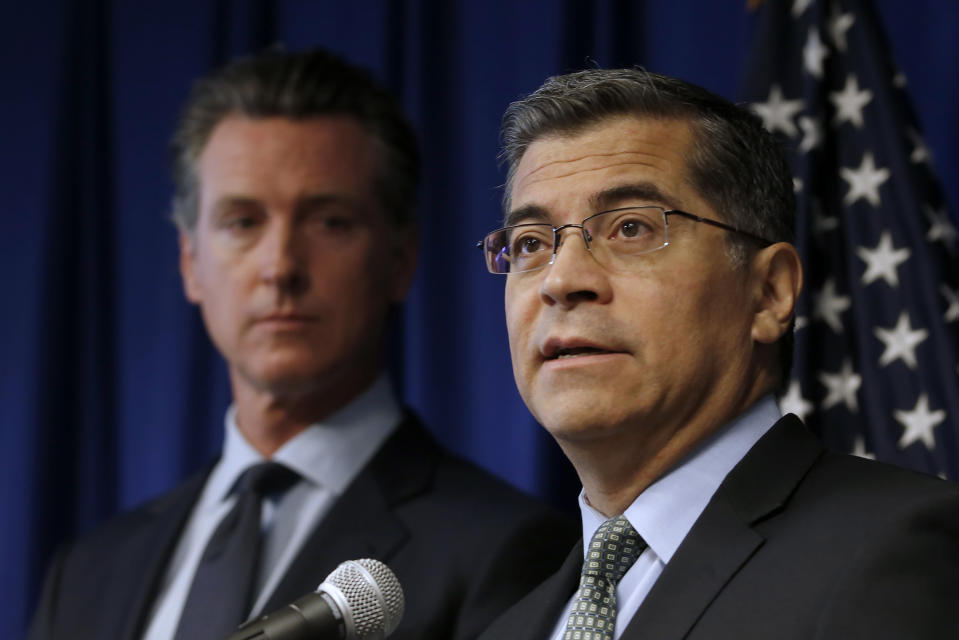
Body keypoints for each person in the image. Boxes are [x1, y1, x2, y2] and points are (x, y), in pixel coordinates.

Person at [28, 48, 576, 640]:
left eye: (329, 222)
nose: (281, 266)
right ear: (190, 261)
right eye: (243, 222)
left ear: (400, 257)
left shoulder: (510, 553)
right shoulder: (87, 569)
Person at [476, 68, 959, 639]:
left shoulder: (901, 550)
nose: (562, 280)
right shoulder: (508, 630)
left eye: (630, 228)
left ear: (769, 292)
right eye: (530, 243)